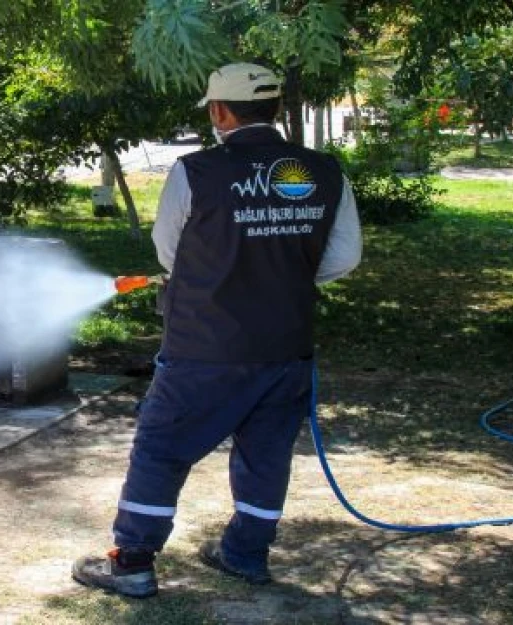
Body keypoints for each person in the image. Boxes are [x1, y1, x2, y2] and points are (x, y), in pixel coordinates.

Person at [72, 62, 362, 598]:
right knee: (266, 454)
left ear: (220, 111)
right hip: (285, 348)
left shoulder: (196, 172)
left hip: (204, 348)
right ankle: (244, 554)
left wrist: (226, 271)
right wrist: (279, 272)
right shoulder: (325, 172)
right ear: (275, 109)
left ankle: (132, 560)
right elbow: (343, 258)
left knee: (162, 449)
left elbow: (169, 253)